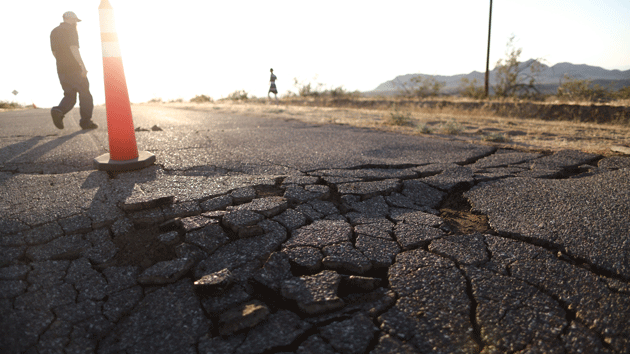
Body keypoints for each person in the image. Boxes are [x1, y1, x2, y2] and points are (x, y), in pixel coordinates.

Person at [50, 11, 98, 130]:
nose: (76, 23)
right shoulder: (70, 30)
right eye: (75, 20)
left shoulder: (54, 31)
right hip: (74, 67)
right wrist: (82, 65)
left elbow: (54, 52)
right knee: (85, 94)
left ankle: (59, 110)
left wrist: (62, 63)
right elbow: (73, 48)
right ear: (70, 19)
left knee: (70, 95)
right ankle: (86, 122)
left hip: (61, 68)